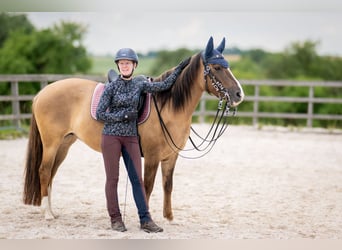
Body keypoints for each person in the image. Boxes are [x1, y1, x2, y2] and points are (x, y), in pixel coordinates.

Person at [96, 48, 190, 233]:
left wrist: (180, 68)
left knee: (137, 180)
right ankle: (115, 219)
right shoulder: (110, 88)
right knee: (112, 179)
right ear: (118, 65)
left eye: (128, 63)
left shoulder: (140, 85)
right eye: (121, 63)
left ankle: (145, 220)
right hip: (111, 137)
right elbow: (100, 114)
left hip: (131, 138)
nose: (124, 66)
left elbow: (164, 85)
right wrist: (122, 116)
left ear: (134, 65)